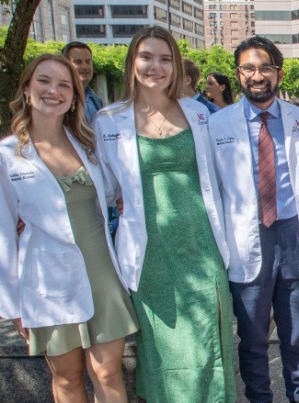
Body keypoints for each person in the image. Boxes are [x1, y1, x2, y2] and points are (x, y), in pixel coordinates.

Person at [0, 54, 137, 403]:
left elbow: (114, 191)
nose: (54, 91)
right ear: (26, 89)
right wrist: (13, 304)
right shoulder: (2, 158)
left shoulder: (88, 145)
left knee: (108, 371)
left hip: (102, 274)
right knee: (67, 377)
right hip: (47, 281)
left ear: (75, 96)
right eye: (44, 82)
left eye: (65, 84)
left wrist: (127, 200)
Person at [91, 26, 237, 402]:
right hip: (150, 252)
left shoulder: (198, 113)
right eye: (146, 57)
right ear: (132, 63)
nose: (155, 66)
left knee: (208, 342)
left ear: (175, 66)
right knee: (162, 349)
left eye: (165, 59)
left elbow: (223, 176)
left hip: (202, 245)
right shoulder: (109, 120)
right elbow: (104, 188)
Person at [208, 36, 299, 403]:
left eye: (265, 67)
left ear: (279, 73)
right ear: (238, 74)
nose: (257, 75)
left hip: (294, 238)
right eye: (249, 68)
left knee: (295, 336)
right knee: (252, 338)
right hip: (248, 236)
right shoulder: (217, 125)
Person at [62, 41, 105, 123]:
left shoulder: (97, 101)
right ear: (65, 65)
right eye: (78, 62)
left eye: (88, 62)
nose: (85, 67)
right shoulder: (60, 100)